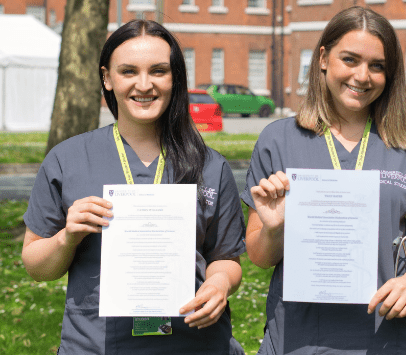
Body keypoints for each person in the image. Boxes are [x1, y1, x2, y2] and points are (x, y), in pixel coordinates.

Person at [21, 20, 246, 354]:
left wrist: (220, 282)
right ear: (107, 79)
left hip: (194, 343)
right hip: (97, 344)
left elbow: (226, 257)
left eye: (158, 71)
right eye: (128, 71)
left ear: (175, 78)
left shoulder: (210, 165)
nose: (144, 85)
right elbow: (36, 266)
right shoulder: (67, 160)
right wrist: (67, 237)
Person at [240, 6, 406, 354]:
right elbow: (259, 256)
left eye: (377, 66)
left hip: (387, 337)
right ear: (323, 58)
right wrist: (275, 229)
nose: (362, 76)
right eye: (350, 60)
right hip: (301, 339)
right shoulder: (278, 140)